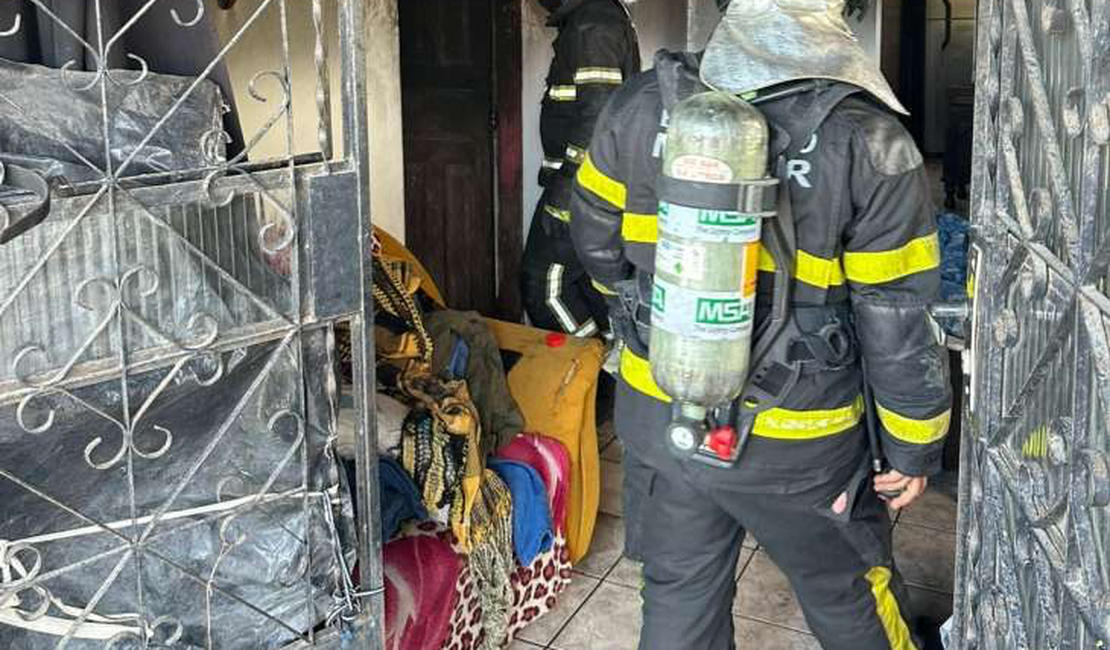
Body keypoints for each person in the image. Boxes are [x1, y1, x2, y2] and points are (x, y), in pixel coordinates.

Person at [570, 1, 952, 648]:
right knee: (849, 596)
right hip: (799, 442)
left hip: (665, 416)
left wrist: (660, 321)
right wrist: (913, 447)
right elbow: (896, 322)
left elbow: (596, 248)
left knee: (677, 597)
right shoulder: (872, 140)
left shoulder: (639, 107)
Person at [521, 0, 640, 338]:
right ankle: (604, 374)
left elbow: (598, 117)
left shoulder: (594, 23)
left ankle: (592, 374)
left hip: (581, 189)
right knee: (586, 284)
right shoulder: (592, 20)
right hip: (586, 185)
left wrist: (566, 193)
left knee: (544, 286)